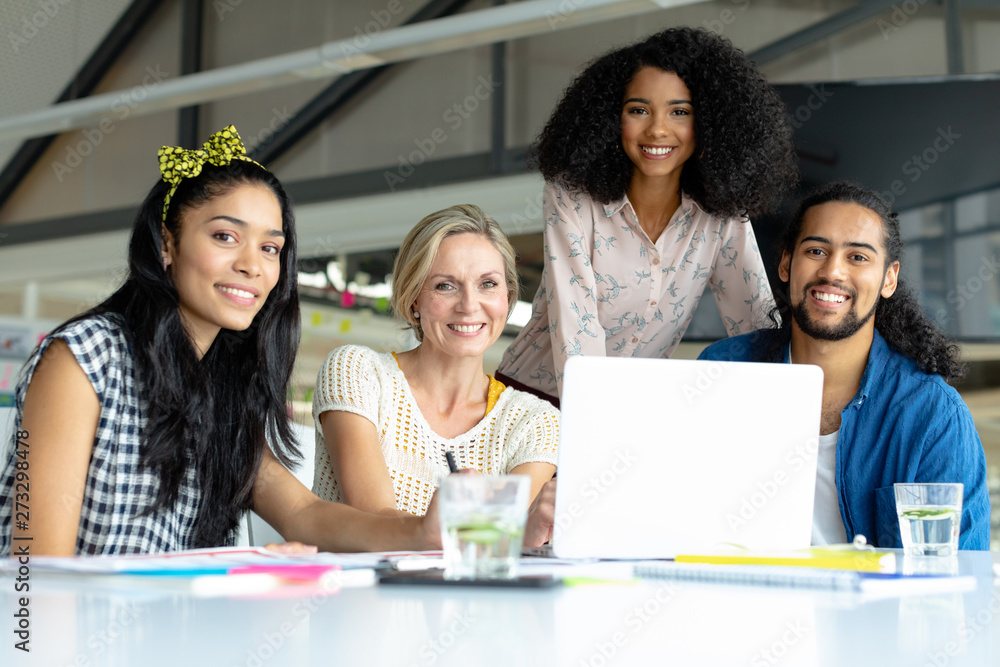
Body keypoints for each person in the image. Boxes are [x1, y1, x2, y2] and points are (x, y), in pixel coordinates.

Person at [0, 126, 451, 556]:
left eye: (270, 248)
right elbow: (35, 563)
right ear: (166, 245)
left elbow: (303, 513)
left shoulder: (224, 387)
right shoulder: (84, 358)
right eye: (225, 236)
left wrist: (421, 531)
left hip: (171, 632)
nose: (252, 265)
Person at [496, 27, 797, 404]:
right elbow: (577, 330)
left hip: (627, 408)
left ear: (709, 125)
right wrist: (600, 421)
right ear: (610, 119)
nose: (657, 129)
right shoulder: (571, 197)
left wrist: (788, 406)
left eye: (679, 112)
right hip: (527, 399)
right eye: (638, 110)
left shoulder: (721, 215)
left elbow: (755, 324)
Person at [699, 181, 990, 549]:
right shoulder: (722, 371)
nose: (833, 272)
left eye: (858, 257)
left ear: (889, 278)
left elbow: (958, 575)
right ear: (786, 263)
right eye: (816, 250)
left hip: (875, 606)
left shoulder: (933, 415)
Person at [311, 205, 559, 520]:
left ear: (507, 297)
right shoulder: (357, 373)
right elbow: (375, 522)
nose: (469, 305)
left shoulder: (535, 422)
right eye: (445, 285)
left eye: (488, 284)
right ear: (415, 297)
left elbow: (497, 543)